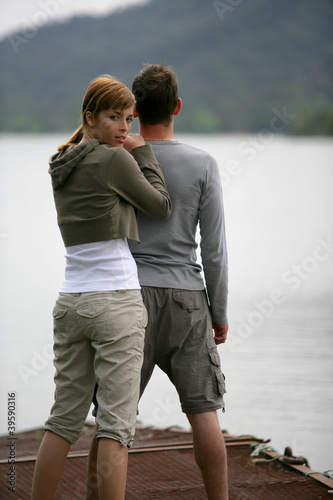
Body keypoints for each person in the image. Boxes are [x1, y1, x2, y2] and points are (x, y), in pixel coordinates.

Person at [88, 64, 229, 500]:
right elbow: (215, 249)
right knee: (204, 411)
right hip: (188, 300)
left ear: (133, 110)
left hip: (129, 298)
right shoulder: (203, 163)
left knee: (115, 418)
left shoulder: (117, 156)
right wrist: (219, 313)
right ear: (178, 108)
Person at [30, 74, 172, 500]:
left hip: (71, 302)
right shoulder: (115, 160)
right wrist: (143, 152)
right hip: (115, 303)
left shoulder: (62, 163)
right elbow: (161, 205)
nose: (124, 129)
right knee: (116, 425)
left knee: (63, 421)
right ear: (90, 117)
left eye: (129, 119)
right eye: (114, 117)